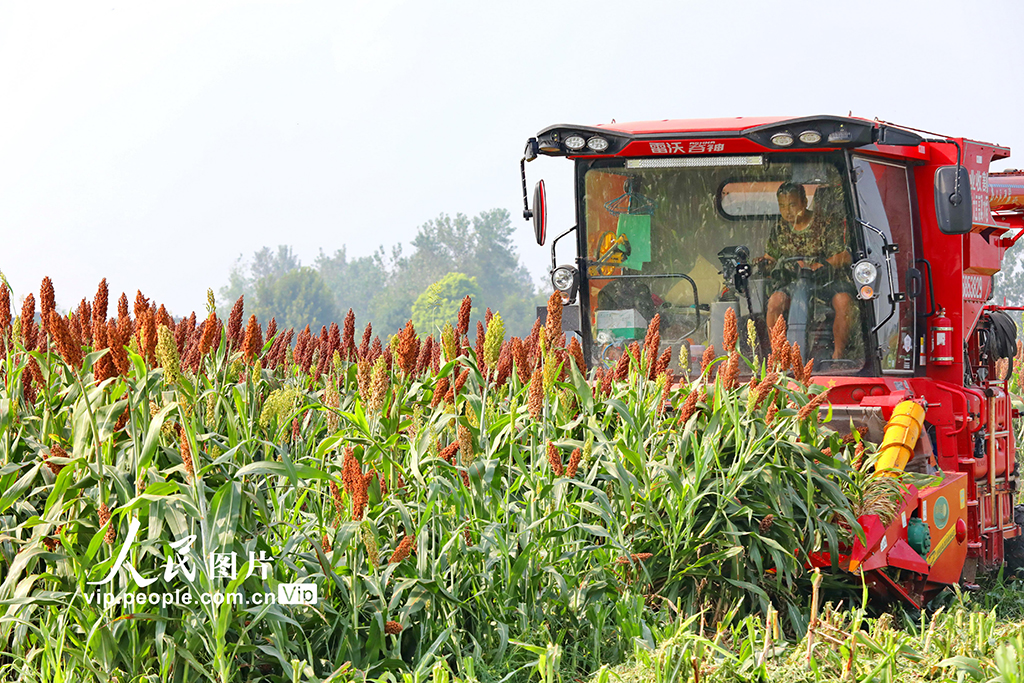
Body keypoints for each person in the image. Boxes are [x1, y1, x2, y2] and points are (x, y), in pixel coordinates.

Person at [761, 182, 854, 359]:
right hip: (793, 282)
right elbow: (771, 257)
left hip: (826, 281)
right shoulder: (779, 228)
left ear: (804, 202)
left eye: (792, 205)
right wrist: (763, 263)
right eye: (782, 206)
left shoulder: (825, 223)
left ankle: (838, 357)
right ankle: (779, 358)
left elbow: (844, 255)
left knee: (843, 301)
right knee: (774, 302)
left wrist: (824, 265)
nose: (787, 211)